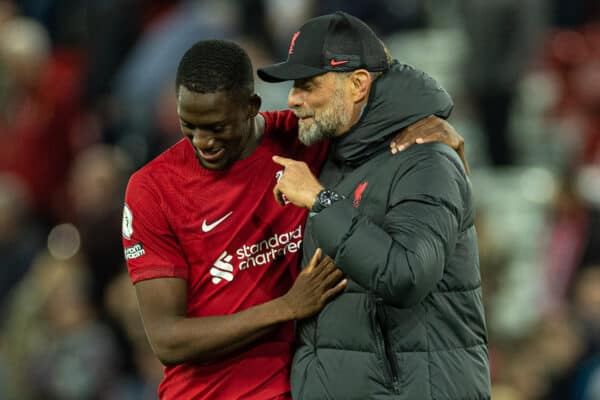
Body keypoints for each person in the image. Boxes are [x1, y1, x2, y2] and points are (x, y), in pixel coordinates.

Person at [122, 40, 469, 400]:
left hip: (303, 387)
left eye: (217, 127)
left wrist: (434, 128)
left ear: (251, 107)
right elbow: (167, 339)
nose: (202, 142)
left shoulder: (300, 139)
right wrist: (286, 307)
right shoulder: (153, 189)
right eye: (188, 125)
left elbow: (373, 99)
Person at [258, 11, 491, 399]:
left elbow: (406, 274)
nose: (293, 99)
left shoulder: (426, 159)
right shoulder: (331, 151)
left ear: (358, 84)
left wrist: (320, 200)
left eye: (307, 84)